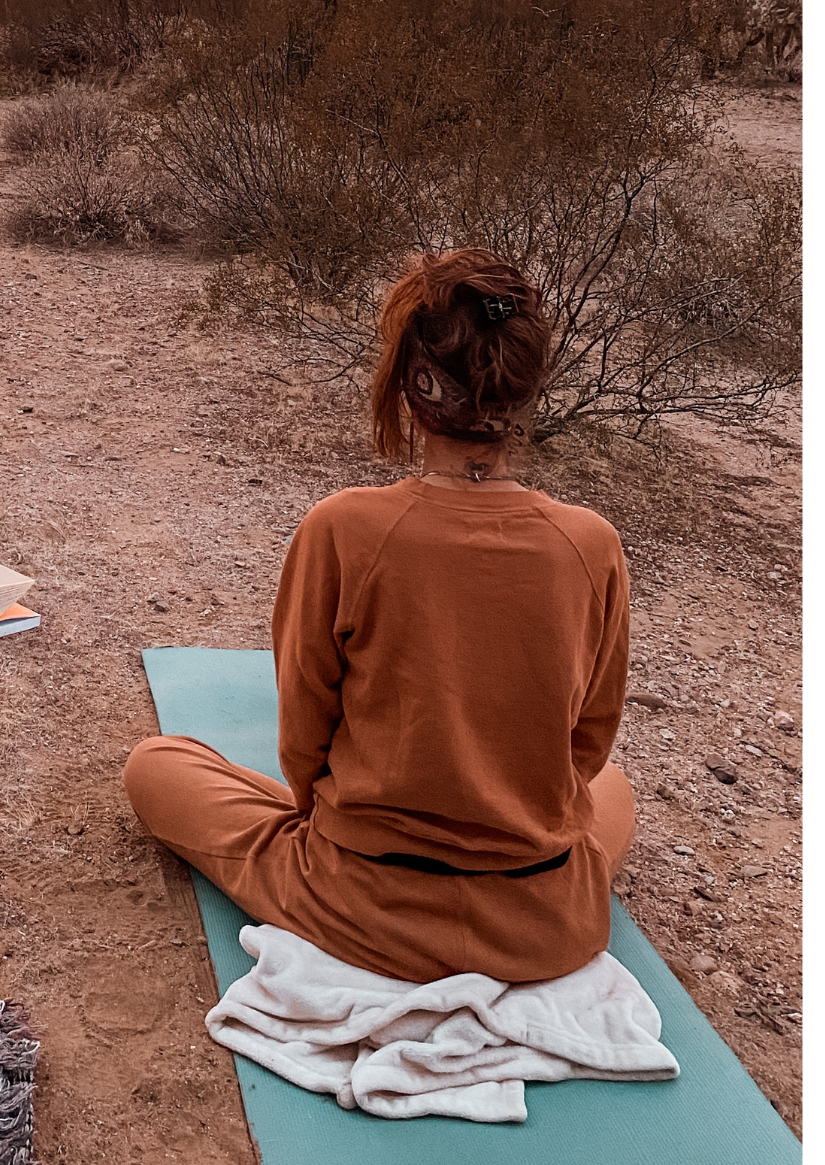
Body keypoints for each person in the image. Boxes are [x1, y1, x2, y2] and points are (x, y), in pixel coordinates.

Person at [123, 247, 634, 986]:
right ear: (526, 388)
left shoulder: (343, 528)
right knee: (611, 786)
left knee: (156, 765)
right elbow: (589, 737)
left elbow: (304, 728)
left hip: (358, 904)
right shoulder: (591, 544)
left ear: (409, 384)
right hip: (544, 924)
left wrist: (328, 820)